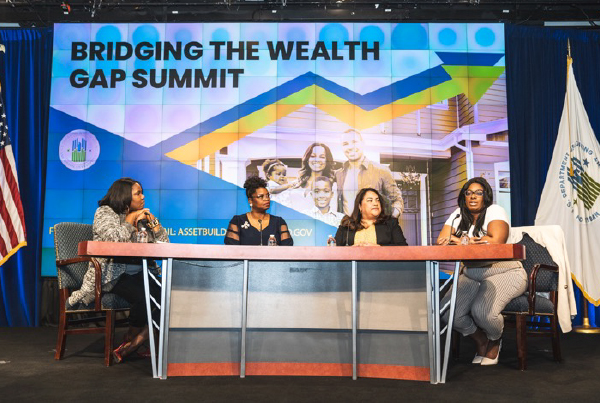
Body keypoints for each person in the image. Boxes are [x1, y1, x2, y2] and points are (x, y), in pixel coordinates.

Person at [66, 177, 169, 363]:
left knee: (170, 295)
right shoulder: (105, 213)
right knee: (145, 296)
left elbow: (165, 243)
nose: (143, 196)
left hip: (141, 272)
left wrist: (153, 223)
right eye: (138, 193)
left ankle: (134, 342)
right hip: (111, 274)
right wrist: (130, 220)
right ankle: (134, 339)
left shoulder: (142, 215)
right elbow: (113, 241)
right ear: (124, 196)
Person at [437, 177, 527, 366]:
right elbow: (442, 241)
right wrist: (473, 241)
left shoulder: (494, 210)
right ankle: (481, 340)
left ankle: (495, 338)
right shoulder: (458, 214)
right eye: (468, 193)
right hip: (472, 273)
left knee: (483, 312)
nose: (472, 197)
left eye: (478, 193)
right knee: (448, 312)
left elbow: (496, 242)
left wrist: (463, 241)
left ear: (486, 196)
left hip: (504, 271)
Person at [335, 129, 404, 220]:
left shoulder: (382, 171)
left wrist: (388, 223)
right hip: (348, 231)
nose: (350, 147)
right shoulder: (338, 174)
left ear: (363, 143)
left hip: (374, 232)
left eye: (354, 142)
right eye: (345, 144)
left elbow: (397, 201)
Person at [224, 176, 293, 246]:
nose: (267, 199)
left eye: (267, 196)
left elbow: (287, 249)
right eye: (261, 196)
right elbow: (231, 250)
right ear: (250, 200)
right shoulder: (237, 221)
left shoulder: (279, 222)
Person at [334, 188, 407, 246]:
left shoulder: (390, 223)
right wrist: (352, 250)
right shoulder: (347, 225)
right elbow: (335, 250)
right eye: (370, 200)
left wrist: (379, 248)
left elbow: (403, 248)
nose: (375, 203)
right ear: (360, 206)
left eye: (377, 200)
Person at [291, 142, 337, 213]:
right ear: (307, 159)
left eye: (322, 157)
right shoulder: (296, 184)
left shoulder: (333, 186)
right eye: (313, 156)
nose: (317, 160)